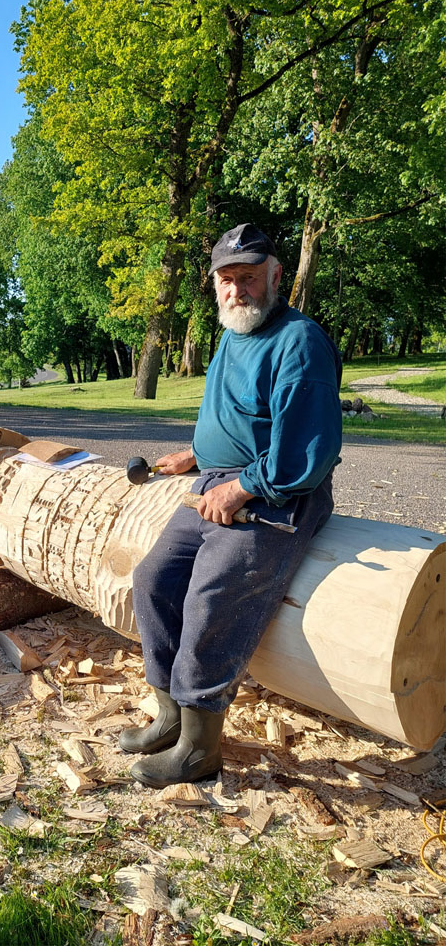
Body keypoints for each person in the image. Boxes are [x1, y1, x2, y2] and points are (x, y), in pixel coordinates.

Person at [120, 223, 342, 788]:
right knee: (152, 580)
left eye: (248, 277)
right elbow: (238, 416)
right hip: (216, 480)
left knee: (211, 597)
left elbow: (306, 453)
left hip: (279, 492)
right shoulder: (232, 332)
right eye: (226, 279)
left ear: (275, 275)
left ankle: (200, 748)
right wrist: (195, 455)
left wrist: (242, 487)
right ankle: (171, 715)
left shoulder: (299, 341)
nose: (236, 290)